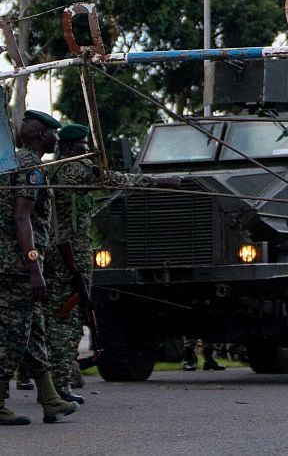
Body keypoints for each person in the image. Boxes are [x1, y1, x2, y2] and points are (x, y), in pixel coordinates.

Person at [45, 123, 181, 399]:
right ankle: (58, 390)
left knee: (62, 315)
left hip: (59, 253)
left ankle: (54, 387)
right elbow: (113, 180)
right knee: (67, 319)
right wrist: (157, 182)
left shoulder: (52, 170)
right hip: (68, 256)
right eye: (84, 146)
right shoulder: (72, 171)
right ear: (72, 147)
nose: (88, 151)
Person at [0, 110, 79, 425]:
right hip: (18, 265)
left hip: (9, 261)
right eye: (53, 132)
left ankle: (50, 399)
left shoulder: (12, 162)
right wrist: (34, 267)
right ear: (40, 135)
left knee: (33, 332)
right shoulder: (32, 168)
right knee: (12, 334)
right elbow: (23, 217)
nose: (56, 138)